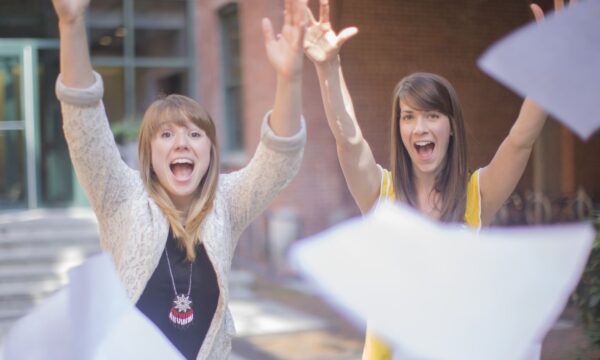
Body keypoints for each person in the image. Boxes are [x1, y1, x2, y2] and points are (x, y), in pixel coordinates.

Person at [302, 0, 566, 358]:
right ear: (399, 128)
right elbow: (348, 138)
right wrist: (328, 67)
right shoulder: (381, 195)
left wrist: (549, 75)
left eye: (432, 115)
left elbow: (520, 141)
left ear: (452, 126)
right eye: (408, 117)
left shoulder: (477, 194)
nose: (420, 127)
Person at [51, 0, 308, 357]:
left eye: (195, 134)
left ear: (210, 152)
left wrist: (289, 78)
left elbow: (278, 160)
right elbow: (84, 123)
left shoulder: (227, 202)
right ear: (149, 153)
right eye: (167, 135)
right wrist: (71, 23)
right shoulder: (120, 196)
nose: (182, 144)